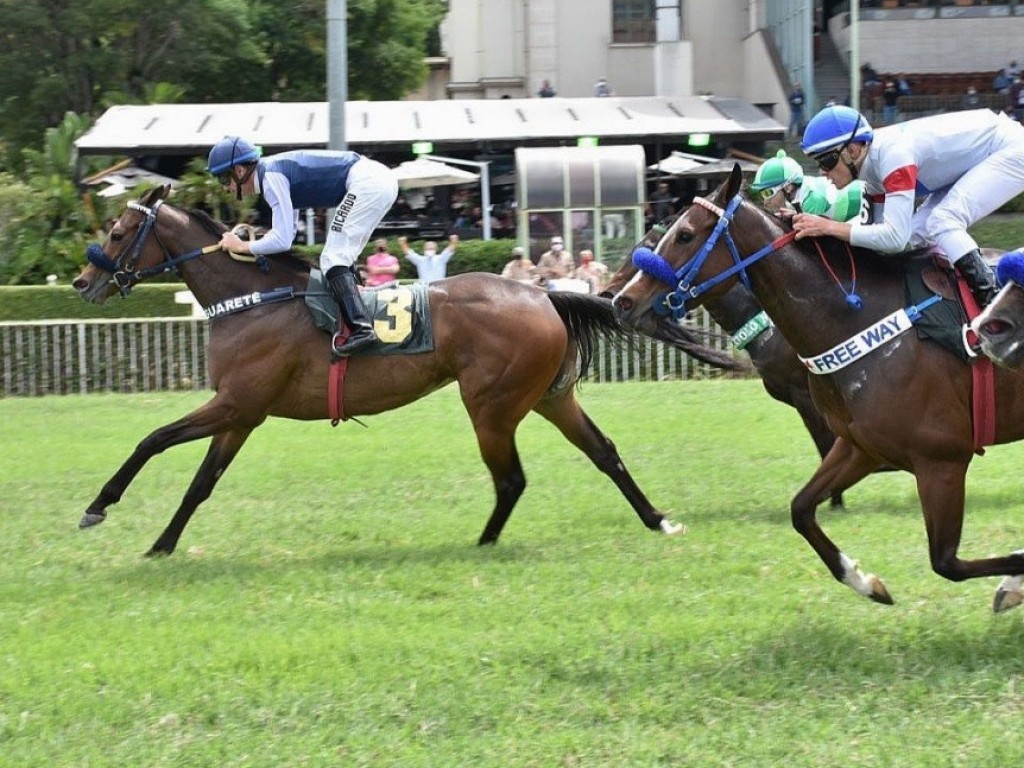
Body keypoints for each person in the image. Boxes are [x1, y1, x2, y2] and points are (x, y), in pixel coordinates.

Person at [792, 104, 1024, 309]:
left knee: (943, 220)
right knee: (916, 234)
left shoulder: (893, 155)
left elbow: (894, 237)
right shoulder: (869, 171)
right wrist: (813, 224)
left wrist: (830, 227)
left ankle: (992, 301)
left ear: (852, 150)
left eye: (826, 160)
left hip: (1009, 148)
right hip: (978, 155)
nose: (822, 171)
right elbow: (886, 237)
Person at [206, 136, 397, 359]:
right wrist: (254, 243)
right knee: (340, 256)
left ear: (239, 171)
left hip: (368, 182)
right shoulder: (273, 172)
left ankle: (361, 329)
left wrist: (242, 246)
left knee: (333, 258)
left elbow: (283, 240)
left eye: (222, 179)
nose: (226, 188)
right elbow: (287, 232)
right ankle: (356, 319)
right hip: (375, 180)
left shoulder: (270, 177)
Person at [749, 149, 867, 223]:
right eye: (762, 194)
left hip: (865, 206)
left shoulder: (812, 200)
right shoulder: (797, 193)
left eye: (768, 193)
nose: (765, 202)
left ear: (788, 187)